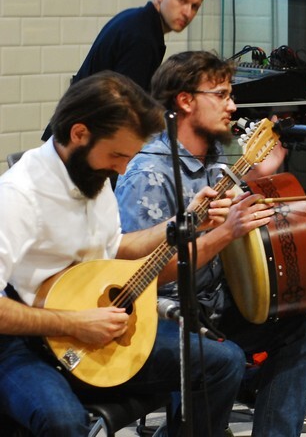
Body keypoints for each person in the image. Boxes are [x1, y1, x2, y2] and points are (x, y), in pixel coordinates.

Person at [0, 72, 244, 436]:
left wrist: (184, 222)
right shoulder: (19, 195)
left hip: (93, 325)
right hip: (24, 340)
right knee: (62, 422)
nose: (123, 168)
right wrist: (73, 324)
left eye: (129, 156)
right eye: (116, 154)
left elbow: (115, 247)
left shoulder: (91, 175)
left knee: (224, 363)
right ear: (79, 134)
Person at [114, 51, 306, 437]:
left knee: (303, 325)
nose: (233, 105)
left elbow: (229, 227)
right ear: (186, 100)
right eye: (223, 95)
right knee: (223, 358)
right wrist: (225, 233)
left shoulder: (212, 161)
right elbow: (144, 277)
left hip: (211, 303)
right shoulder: (149, 175)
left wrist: (261, 177)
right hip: (163, 316)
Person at [42, 0, 206, 141]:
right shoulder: (142, 37)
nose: (187, 13)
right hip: (79, 140)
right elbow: (125, 110)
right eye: (181, 0)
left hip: (72, 131)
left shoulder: (136, 20)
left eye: (195, 6)